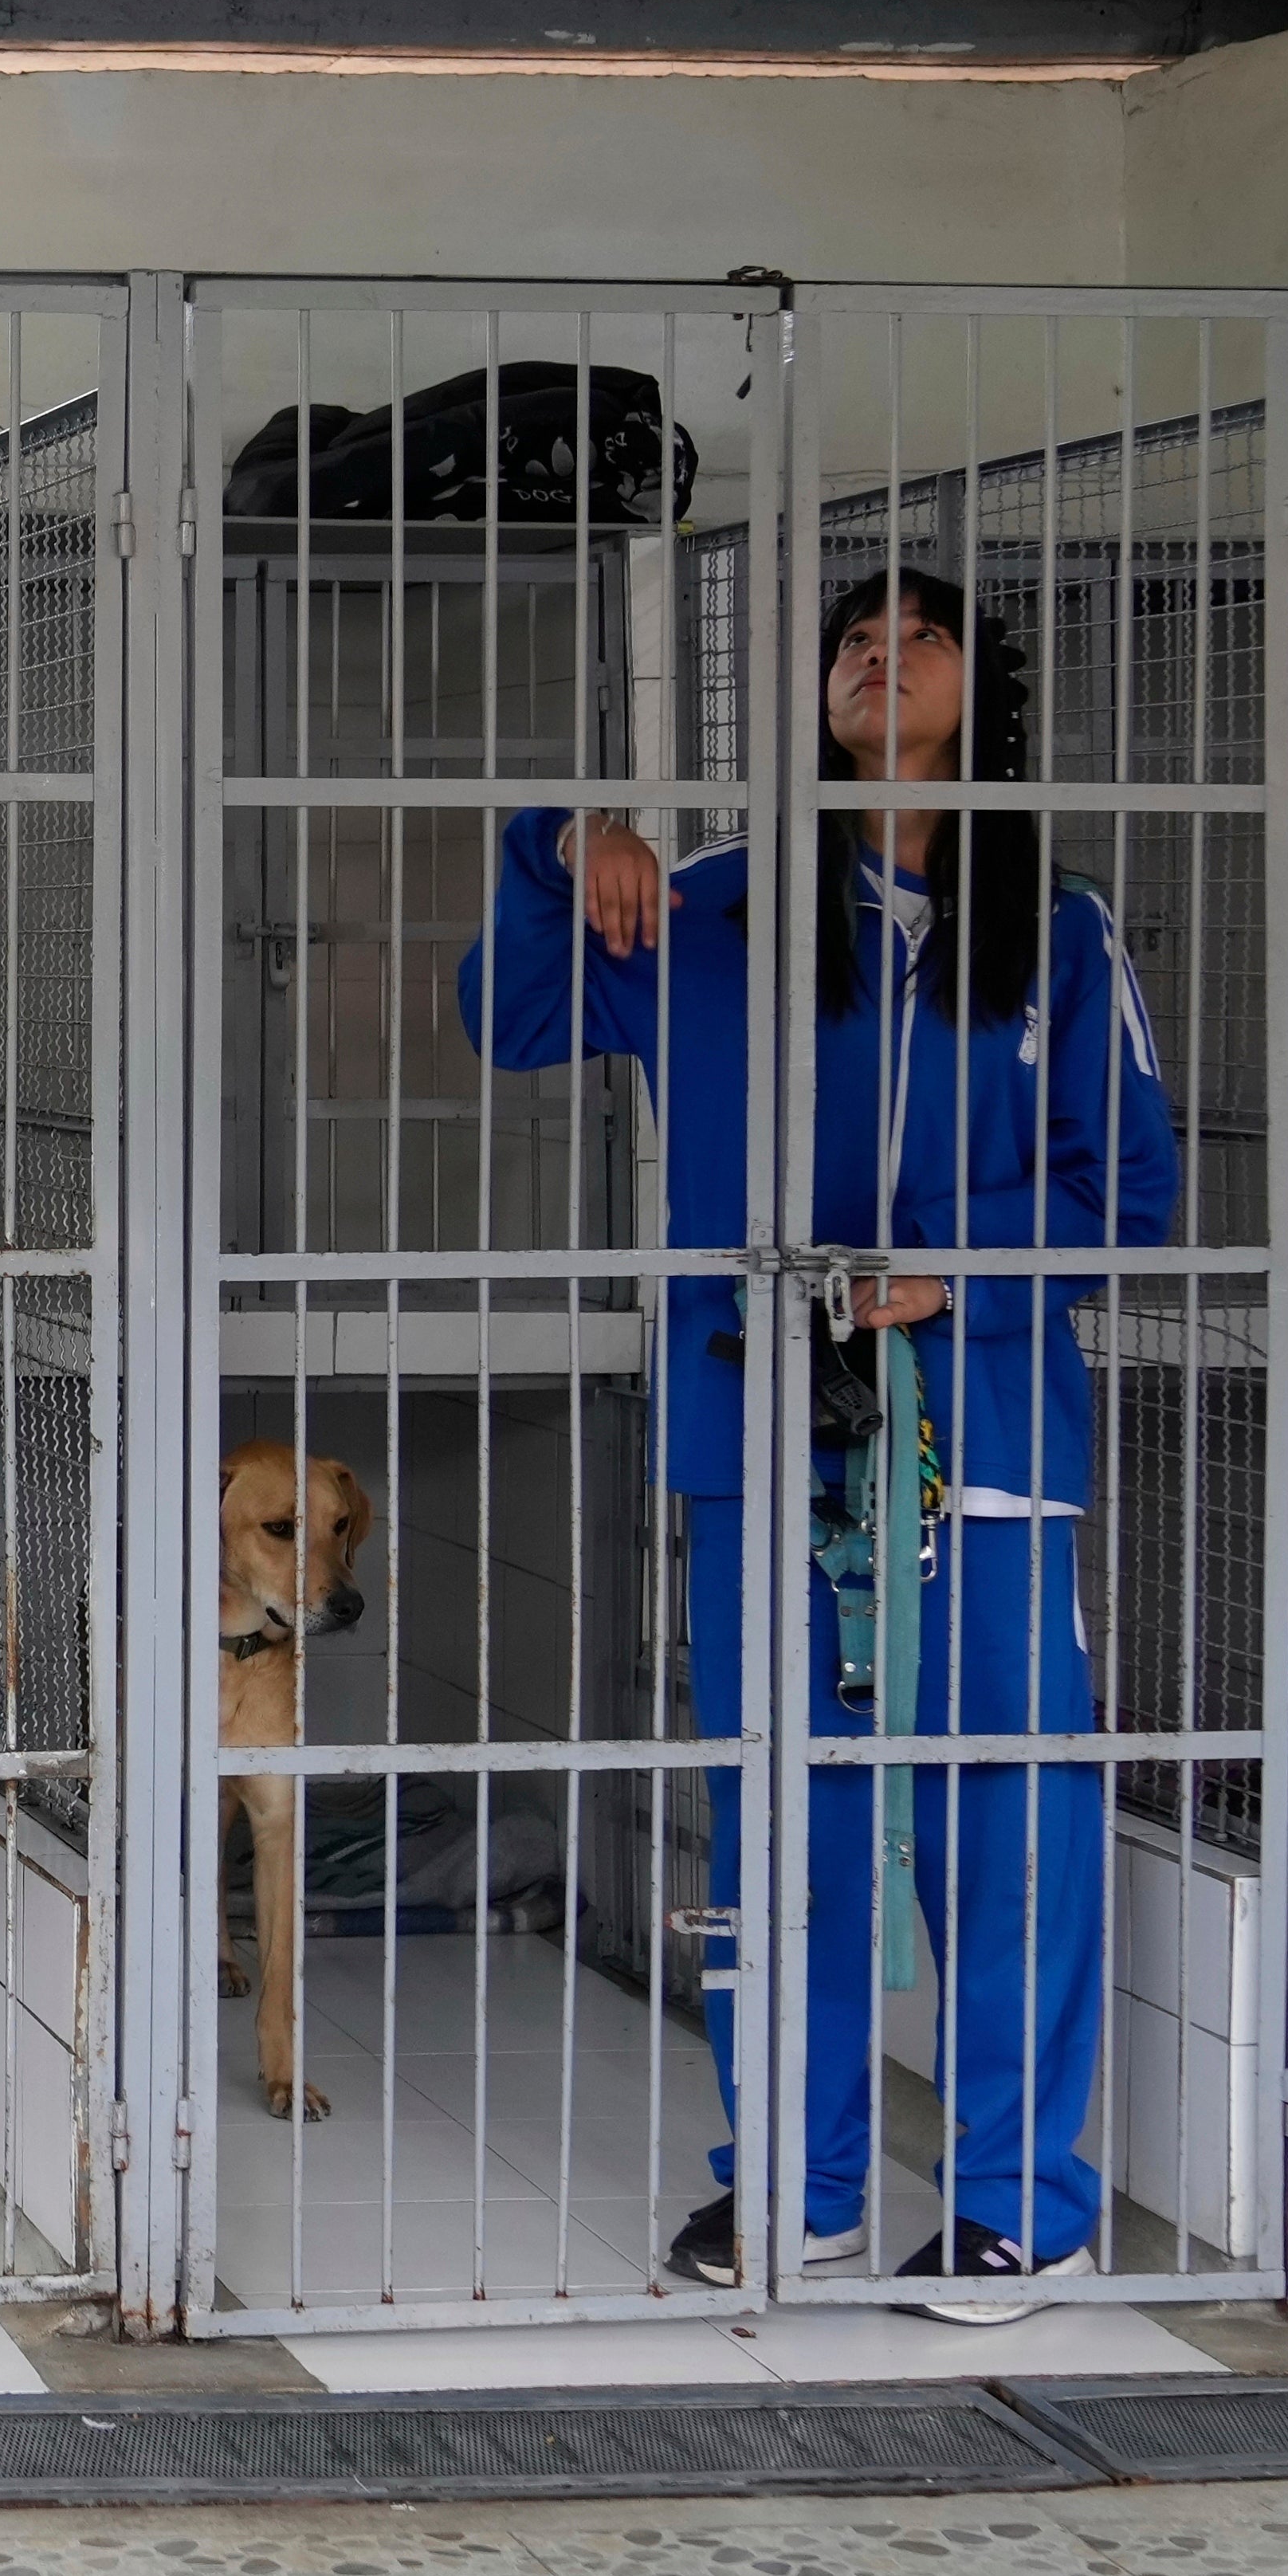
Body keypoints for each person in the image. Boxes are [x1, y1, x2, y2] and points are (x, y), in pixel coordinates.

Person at [465, 567, 1179, 2323]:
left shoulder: (1063, 928)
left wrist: (964, 1265)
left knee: (1008, 1815)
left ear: (975, 692)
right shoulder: (713, 903)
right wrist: (566, 836)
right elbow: (509, 1018)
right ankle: (803, 2181)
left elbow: (1137, 1193)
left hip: (991, 1444)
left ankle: (1026, 2201)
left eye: (917, 634)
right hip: (766, 1430)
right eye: (850, 636)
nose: (878, 653)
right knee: (787, 1810)